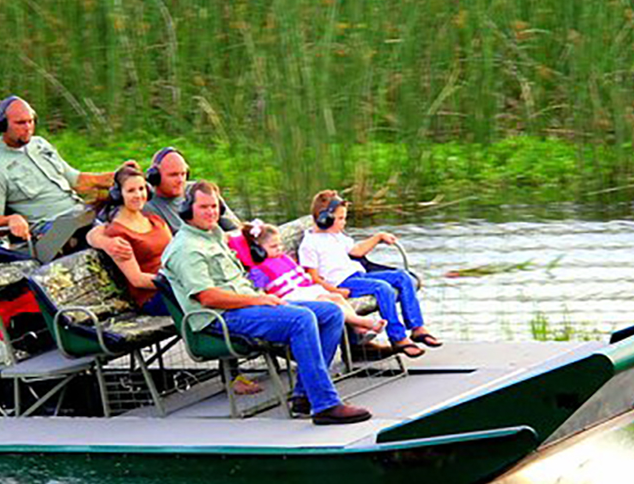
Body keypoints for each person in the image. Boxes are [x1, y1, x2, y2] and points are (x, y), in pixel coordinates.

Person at [160, 181, 372, 425]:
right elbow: (208, 297)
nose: (211, 212)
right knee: (301, 319)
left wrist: (263, 293)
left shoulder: (214, 235)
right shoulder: (186, 248)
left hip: (247, 304)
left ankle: (305, 395)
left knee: (331, 312)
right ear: (188, 210)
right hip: (220, 317)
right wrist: (258, 299)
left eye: (214, 206)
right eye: (203, 207)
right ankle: (325, 404)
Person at [0, 96, 130, 254]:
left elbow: (77, 181)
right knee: (110, 243)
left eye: (31, 121)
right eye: (20, 123)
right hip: (49, 231)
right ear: (2, 125)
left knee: (132, 224)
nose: (28, 127)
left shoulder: (39, 144)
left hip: (80, 216)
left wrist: (122, 177)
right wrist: (11, 219)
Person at [298, 190, 441, 358]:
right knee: (382, 288)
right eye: (341, 219)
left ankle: (417, 328)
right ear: (324, 218)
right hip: (342, 282)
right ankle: (398, 337)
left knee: (403, 277)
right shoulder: (309, 244)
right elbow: (312, 278)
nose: (344, 223)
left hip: (358, 275)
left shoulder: (335, 235)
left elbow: (357, 251)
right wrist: (335, 291)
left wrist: (379, 237)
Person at [238, 220, 388, 348]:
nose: (279, 250)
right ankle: (364, 322)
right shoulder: (259, 270)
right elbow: (259, 290)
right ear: (257, 249)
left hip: (304, 290)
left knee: (336, 297)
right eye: (273, 247)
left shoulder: (283, 259)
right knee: (326, 302)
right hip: (290, 297)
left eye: (280, 246)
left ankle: (356, 327)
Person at [87, 145, 240, 260]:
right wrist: (104, 242)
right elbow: (100, 226)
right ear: (155, 177)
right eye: (173, 175)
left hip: (227, 253)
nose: (180, 180)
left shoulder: (198, 190)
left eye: (183, 174)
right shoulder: (143, 204)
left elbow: (235, 227)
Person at [91, 163, 173, 316]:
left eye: (141, 189)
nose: (138, 195)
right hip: (154, 296)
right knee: (206, 301)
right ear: (118, 194)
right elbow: (137, 279)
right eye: (131, 191)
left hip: (176, 285)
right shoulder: (117, 233)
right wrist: (175, 283)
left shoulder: (155, 220)